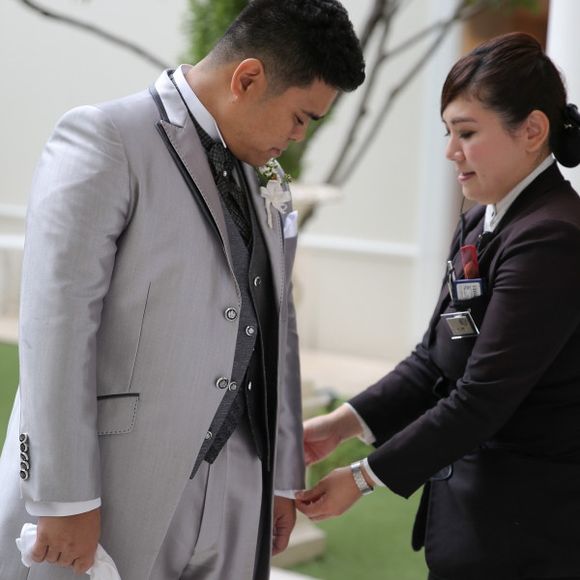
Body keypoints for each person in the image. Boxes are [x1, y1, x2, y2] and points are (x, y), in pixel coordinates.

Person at [0, 1, 365, 579]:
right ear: (248, 78)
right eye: (300, 117)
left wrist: (280, 478)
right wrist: (64, 497)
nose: (298, 137)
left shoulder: (264, 173)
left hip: (239, 479)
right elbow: (56, 326)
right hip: (117, 480)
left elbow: (279, 326)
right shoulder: (107, 137)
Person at [296, 32, 580, 580]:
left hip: (530, 535)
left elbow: (482, 399)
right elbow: (433, 358)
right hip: (475, 523)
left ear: (532, 131)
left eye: (467, 133)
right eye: (448, 132)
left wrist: (362, 477)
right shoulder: (482, 219)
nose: (450, 152)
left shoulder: (553, 238)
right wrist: (343, 423)